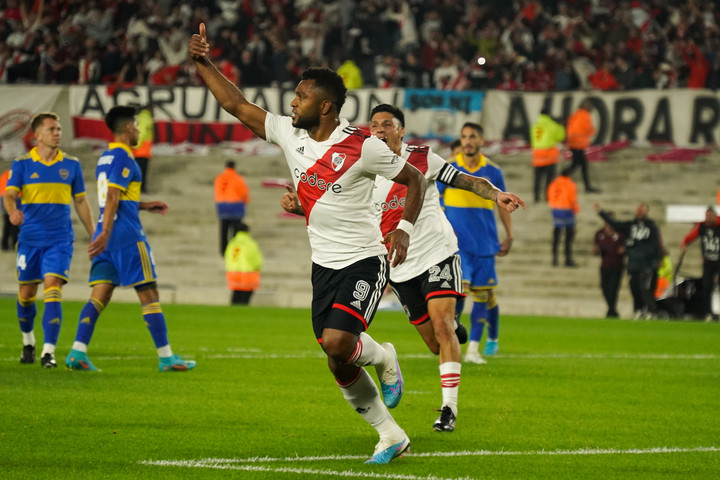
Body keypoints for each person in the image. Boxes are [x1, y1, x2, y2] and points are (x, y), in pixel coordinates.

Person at [190, 24, 427, 464]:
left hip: (364, 260)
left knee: (340, 343)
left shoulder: (363, 147)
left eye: (300, 97)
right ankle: (390, 434)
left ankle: (384, 355)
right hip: (323, 265)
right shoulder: (290, 134)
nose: (292, 103)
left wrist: (404, 230)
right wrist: (203, 62)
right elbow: (235, 103)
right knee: (336, 360)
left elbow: (415, 178)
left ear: (326, 106)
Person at [366, 104, 523, 431]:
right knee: (436, 343)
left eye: (387, 124)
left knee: (441, 324)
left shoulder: (423, 158)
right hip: (401, 269)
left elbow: (464, 180)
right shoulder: (364, 171)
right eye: (374, 125)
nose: (379, 129)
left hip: (438, 253)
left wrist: (496, 195)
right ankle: (455, 328)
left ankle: (448, 410)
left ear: (401, 131)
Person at [64, 106, 196, 373]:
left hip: (107, 235)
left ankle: (77, 351)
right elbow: (112, 196)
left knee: (99, 295)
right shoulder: (125, 157)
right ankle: (167, 357)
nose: (139, 130)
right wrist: (107, 233)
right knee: (150, 294)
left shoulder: (105, 157)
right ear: (127, 128)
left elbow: (117, 198)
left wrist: (144, 206)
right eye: (136, 125)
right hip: (123, 235)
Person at [3, 112, 95, 368]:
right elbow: (9, 195)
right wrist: (12, 211)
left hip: (60, 239)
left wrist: (94, 233)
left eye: (59, 129)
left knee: (53, 287)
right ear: (37, 135)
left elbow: (80, 200)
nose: (58, 133)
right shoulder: (22, 165)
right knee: (26, 294)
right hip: (30, 239)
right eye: (52, 129)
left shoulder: (72, 165)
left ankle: (48, 351)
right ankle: (29, 342)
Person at [438, 122, 515, 364]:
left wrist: (509, 234)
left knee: (482, 296)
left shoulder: (493, 171)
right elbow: (435, 203)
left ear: (481, 140)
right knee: (457, 295)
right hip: (457, 246)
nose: (468, 141)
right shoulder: (450, 169)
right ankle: (453, 344)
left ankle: (474, 349)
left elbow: (502, 205)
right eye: (464, 137)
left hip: (484, 244)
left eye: (472, 137)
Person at [596, 202, 663, 320]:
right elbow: (614, 223)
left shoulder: (652, 227)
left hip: (646, 263)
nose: (639, 211)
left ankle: (651, 310)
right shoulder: (630, 225)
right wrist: (601, 213)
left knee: (645, 289)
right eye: (638, 209)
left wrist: (658, 258)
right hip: (633, 264)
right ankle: (638, 310)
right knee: (634, 288)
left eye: (642, 209)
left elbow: (657, 244)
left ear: (647, 211)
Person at [680, 207, 720, 321]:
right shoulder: (702, 226)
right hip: (708, 262)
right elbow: (693, 235)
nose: (708, 218)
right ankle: (709, 313)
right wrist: (685, 242)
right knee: (707, 287)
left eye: (710, 216)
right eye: (707, 216)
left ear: (715, 216)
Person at [592, 214, 626, 318]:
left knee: (613, 288)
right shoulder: (599, 233)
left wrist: (624, 249)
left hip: (617, 265)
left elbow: (627, 246)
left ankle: (611, 310)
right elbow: (596, 249)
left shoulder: (620, 233)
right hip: (604, 265)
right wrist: (595, 251)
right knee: (604, 288)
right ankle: (612, 310)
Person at [214, 160, 250, 255]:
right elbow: (244, 192)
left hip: (222, 207)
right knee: (236, 232)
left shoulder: (219, 178)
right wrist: (245, 202)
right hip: (236, 206)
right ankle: (235, 251)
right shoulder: (238, 178)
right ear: (234, 167)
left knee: (223, 231)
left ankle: (223, 251)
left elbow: (216, 191)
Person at [530, 108, 566, 202]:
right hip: (549, 156)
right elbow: (561, 137)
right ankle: (548, 197)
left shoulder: (535, 125)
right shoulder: (552, 125)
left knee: (538, 178)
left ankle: (536, 197)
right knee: (549, 179)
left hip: (537, 155)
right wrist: (561, 126)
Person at [547, 167, 579, 267]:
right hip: (567, 211)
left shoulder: (554, 184)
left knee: (556, 236)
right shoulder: (570, 184)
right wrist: (575, 209)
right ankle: (567, 259)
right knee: (568, 237)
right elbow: (572, 198)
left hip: (556, 211)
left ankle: (555, 259)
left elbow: (550, 196)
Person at [225, 220, 263, 305]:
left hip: (233, 274)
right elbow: (256, 259)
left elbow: (227, 257)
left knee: (235, 297)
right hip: (247, 274)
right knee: (244, 300)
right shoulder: (250, 243)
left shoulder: (232, 243)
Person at [566, 100, 600, 193]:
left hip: (572, 143)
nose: (591, 108)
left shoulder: (575, 114)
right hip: (579, 144)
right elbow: (589, 130)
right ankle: (586, 187)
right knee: (581, 164)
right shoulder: (585, 115)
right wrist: (593, 130)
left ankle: (563, 179)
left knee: (577, 164)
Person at [131, 104, 153, 193]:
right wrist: (136, 145)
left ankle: (137, 188)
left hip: (138, 150)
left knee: (136, 170)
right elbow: (141, 133)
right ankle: (141, 189)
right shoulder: (146, 119)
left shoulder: (139, 118)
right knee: (142, 171)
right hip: (142, 150)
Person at [1, 167, 20, 251]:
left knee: (7, 223)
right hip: (16, 198)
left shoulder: (6, 173)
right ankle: (13, 244)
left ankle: (4, 245)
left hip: (3, 198)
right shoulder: (18, 172)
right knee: (15, 223)